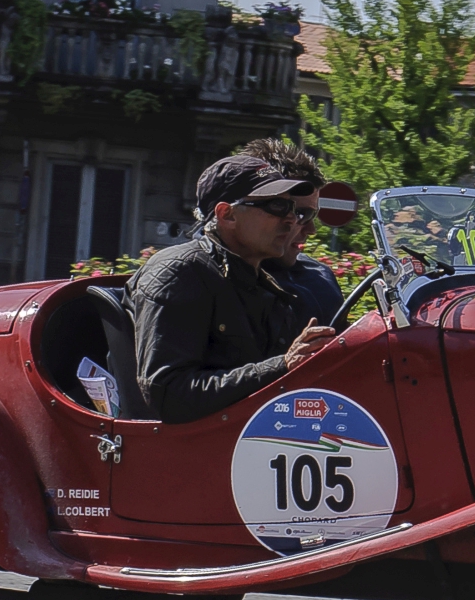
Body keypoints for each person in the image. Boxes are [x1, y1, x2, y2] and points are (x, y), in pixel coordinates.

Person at [127, 155, 335, 424]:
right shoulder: (180, 272)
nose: (292, 220)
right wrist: (283, 365)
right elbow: (169, 395)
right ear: (227, 215)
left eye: (294, 209)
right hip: (201, 451)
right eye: (277, 206)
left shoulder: (258, 278)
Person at [241, 137, 345, 325]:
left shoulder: (320, 276)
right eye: (299, 213)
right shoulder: (210, 276)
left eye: (311, 215)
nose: (311, 230)